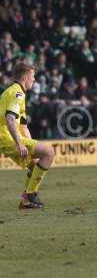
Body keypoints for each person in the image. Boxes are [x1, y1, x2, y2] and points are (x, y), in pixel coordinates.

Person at [0, 64, 54, 209]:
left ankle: (25, 201)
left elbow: (23, 126)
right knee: (49, 152)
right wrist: (19, 144)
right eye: (32, 77)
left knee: (35, 164)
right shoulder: (18, 93)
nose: (34, 80)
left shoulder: (13, 92)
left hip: (8, 137)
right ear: (25, 78)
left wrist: (29, 144)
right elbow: (10, 119)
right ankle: (30, 194)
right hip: (7, 138)